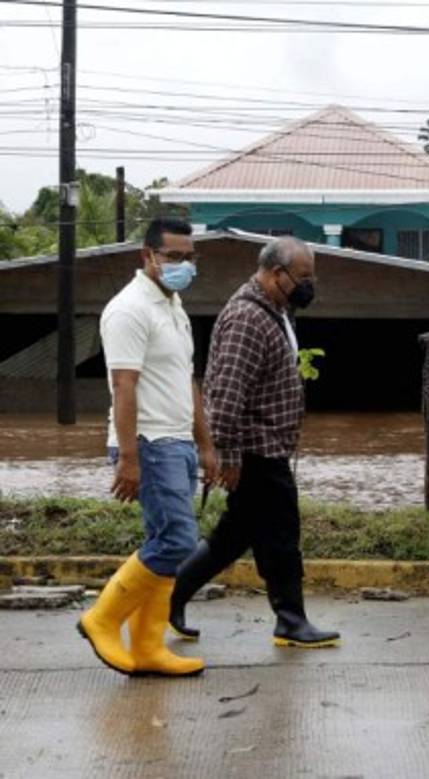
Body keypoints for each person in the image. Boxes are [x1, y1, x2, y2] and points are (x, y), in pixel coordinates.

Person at [169, 236, 340, 648]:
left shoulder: (277, 310)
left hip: (265, 447)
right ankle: (291, 620)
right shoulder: (248, 317)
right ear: (276, 273)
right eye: (302, 277)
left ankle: (169, 596)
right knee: (281, 534)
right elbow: (225, 394)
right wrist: (225, 455)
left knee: (236, 534)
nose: (308, 285)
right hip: (254, 450)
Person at [78, 216, 217, 677]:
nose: (183, 265)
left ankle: (147, 647)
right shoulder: (128, 309)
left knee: (168, 545)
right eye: (173, 257)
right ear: (148, 256)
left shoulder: (172, 306)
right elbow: (123, 385)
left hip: (176, 442)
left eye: (189, 257)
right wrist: (129, 457)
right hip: (149, 443)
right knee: (178, 541)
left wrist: (206, 443)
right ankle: (102, 619)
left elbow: (187, 380)